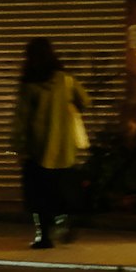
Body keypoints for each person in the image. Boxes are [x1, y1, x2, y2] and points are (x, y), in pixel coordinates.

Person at [10, 36, 91, 249]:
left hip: (38, 151)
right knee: (61, 189)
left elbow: (22, 118)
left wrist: (17, 147)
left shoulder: (29, 84)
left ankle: (43, 235)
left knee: (37, 194)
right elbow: (85, 100)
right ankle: (62, 220)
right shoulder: (65, 80)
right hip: (64, 150)